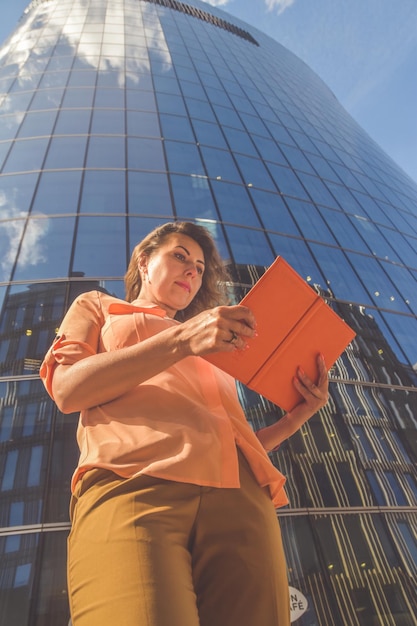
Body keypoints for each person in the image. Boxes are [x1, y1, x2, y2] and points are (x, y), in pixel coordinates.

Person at [40, 221, 329, 626]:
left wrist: (299, 416)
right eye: (179, 256)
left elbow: (231, 441)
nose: (192, 271)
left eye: (198, 266)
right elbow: (68, 390)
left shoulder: (214, 346)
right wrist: (182, 340)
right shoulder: (99, 306)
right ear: (144, 262)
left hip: (241, 498)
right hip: (133, 484)